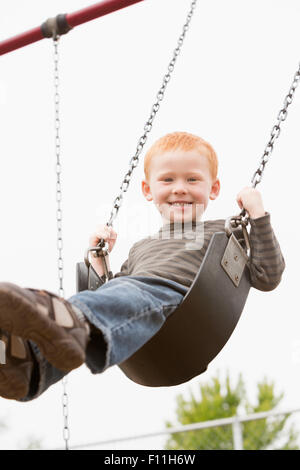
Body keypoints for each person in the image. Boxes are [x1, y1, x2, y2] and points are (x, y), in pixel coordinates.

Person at [0, 132, 285, 401]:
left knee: (116, 301)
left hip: (183, 307)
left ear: (214, 188)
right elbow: (110, 298)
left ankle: (53, 315)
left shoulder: (225, 232)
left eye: (193, 179)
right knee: (94, 318)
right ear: (149, 190)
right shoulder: (141, 248)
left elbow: (267, 275)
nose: (180, 188)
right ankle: (27, 365)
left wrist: (258, 214)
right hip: (140, 311)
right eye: (168, 179)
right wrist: (98, 260)